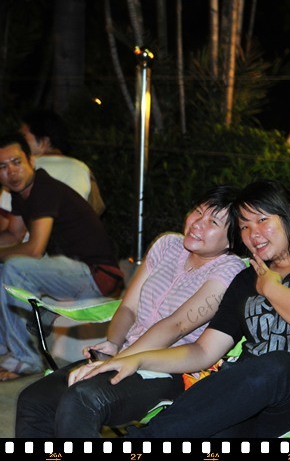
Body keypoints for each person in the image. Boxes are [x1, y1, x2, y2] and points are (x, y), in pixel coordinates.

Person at [73, 179, 290, 438]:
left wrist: (272, 288)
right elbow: (203, 351)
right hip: (246, 402)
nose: (253, 233)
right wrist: (136, 360)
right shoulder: (246, 280)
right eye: (244, 226)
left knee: (277, 365)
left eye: (262, 220)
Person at [15, 184, 247, 438]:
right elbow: (128, 306)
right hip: (127, 353)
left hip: (171, 371)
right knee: (34, 399)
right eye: (198, 212)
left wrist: (117, 361)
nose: (197, 223)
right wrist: (114, 344)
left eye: (213, 222)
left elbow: (177, 325)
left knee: (82, 399)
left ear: (232, 239)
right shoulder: (167, 245)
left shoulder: (229, 270)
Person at [0, 133, 122, 380]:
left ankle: (27, 359)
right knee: (4, 269)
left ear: (31, 161)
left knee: (14, 267)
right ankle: (5, 348)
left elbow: (34, 249)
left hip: (97, 274)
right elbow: (14, 233)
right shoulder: (20, 194)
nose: (11, 172)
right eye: (2, 166)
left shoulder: (44, 189)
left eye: (16, 162)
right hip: (71, 272)